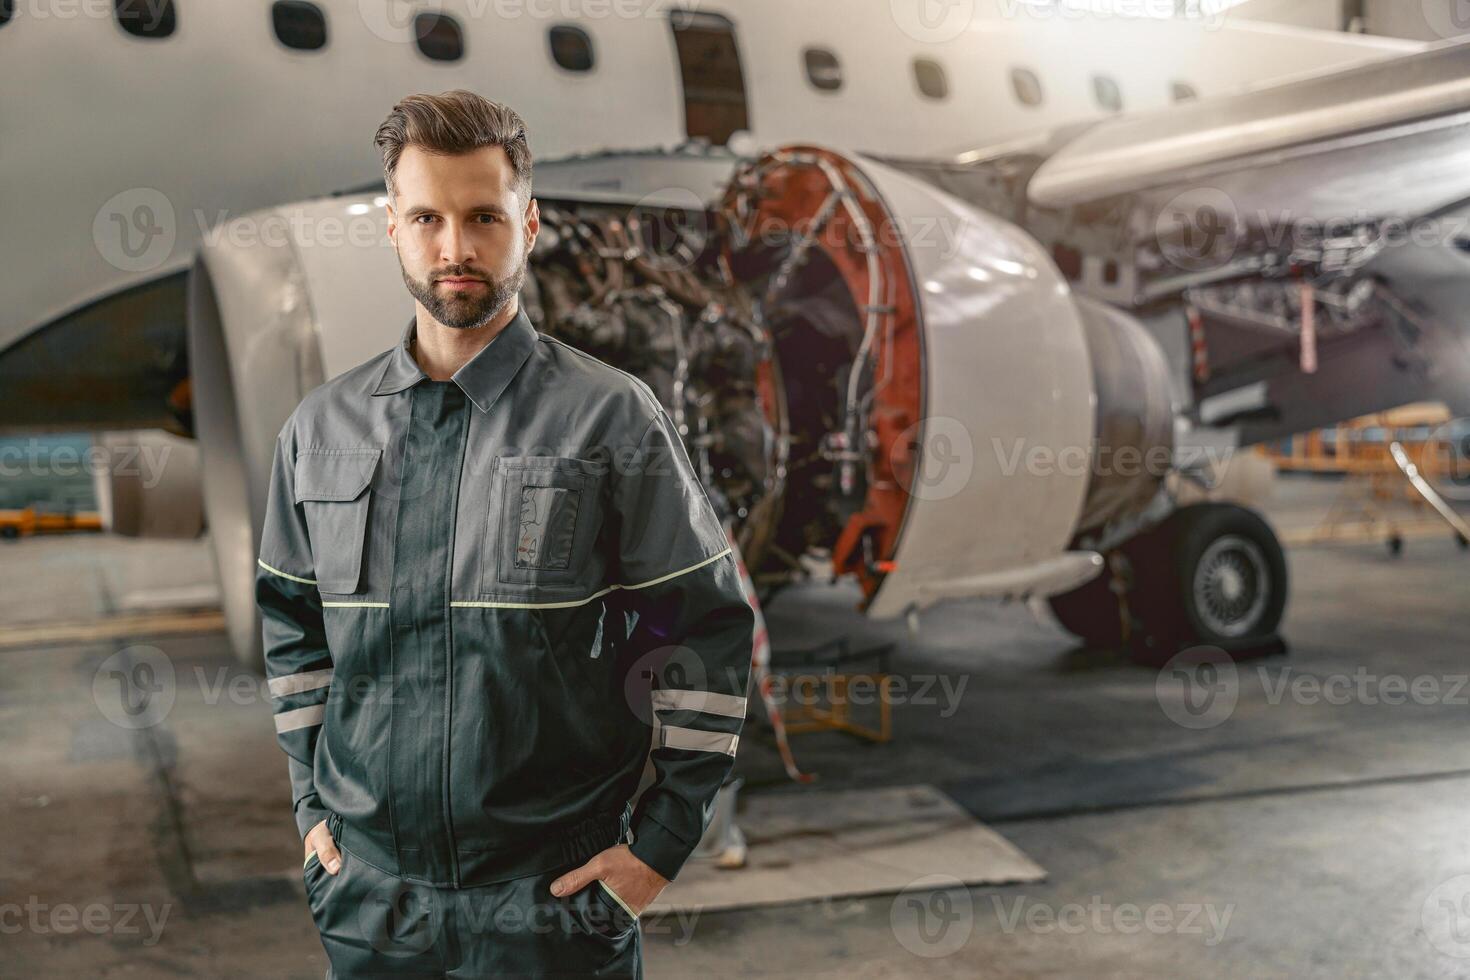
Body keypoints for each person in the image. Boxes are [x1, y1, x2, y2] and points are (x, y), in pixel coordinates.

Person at [255, 89, 756, 977]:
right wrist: (312, 818)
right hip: (373, 910)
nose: (455, 247)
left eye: (484, 215)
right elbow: (294, 638)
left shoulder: (609, 420)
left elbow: (704, 635)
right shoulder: (320, 430)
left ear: (527, 224)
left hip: (550, 912)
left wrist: (655, 854)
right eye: (427, 218)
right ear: (392, 228)